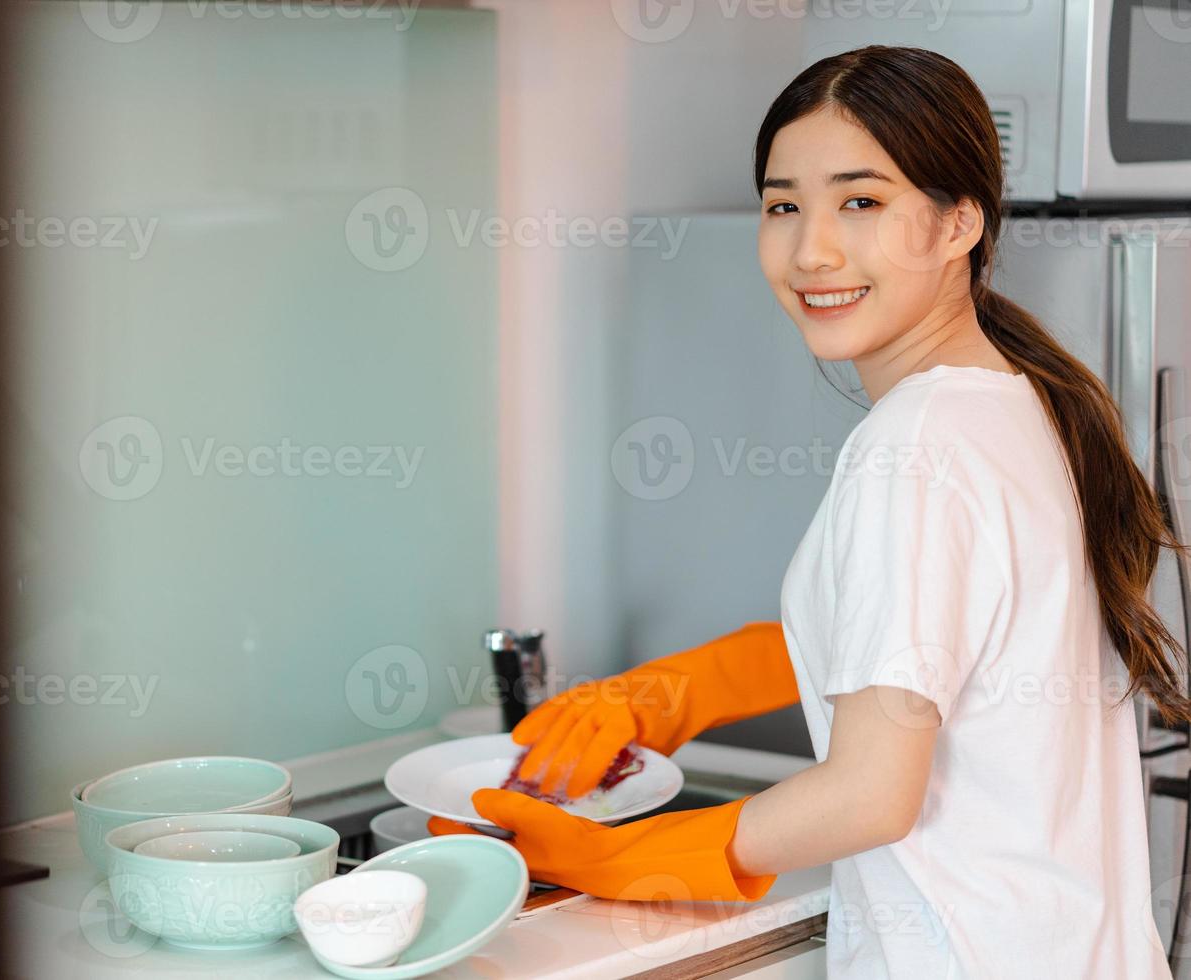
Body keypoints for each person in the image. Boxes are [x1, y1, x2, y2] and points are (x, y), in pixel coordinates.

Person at [428, 45, 1189, 977]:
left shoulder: (917, 444)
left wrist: (620, 859)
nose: (811, 249)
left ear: (959, 224)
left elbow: (871, 795)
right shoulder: (1014, 401)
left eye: (860, 201)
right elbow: (929, 650)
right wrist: (678, 692)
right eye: (784, 204)